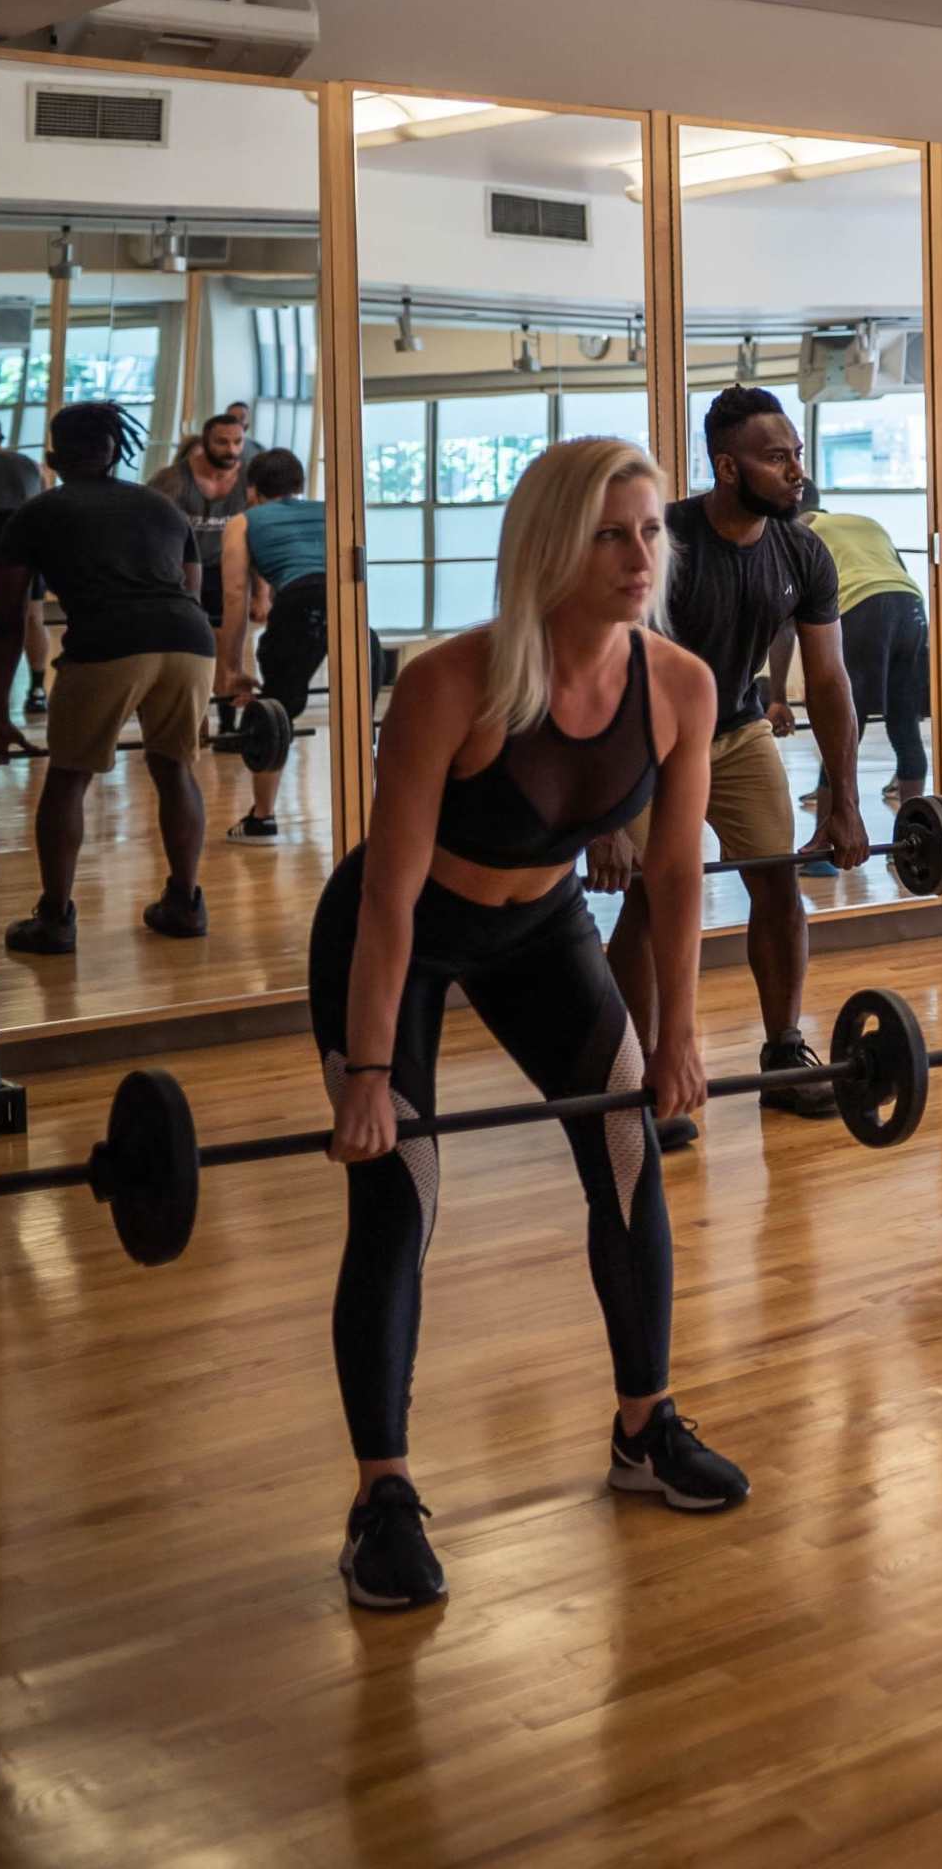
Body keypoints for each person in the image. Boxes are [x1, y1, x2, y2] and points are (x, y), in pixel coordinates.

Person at [314, 436, 747, 1610]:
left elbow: (674, 879)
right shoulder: (452, 684)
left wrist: (679, 1039)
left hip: (541, 929)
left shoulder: (679, 687)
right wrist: (366, 1073)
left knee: (627, 1159)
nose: (642, 555)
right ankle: (382, 1498)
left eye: (652, 531)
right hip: (399, 936)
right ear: (555, 546)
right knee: (400, 1197)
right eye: (613, 534)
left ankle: (643, 1428)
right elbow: (391, 899)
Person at [604, 387, 864, 1134]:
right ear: (727, 466)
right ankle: (643, 1074)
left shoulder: (803, 551)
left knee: (777, 884)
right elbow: (604, 667)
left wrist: (841, 795)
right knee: (652, 897)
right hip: (644, 736)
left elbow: (828, 678)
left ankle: (784, 1053)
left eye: (798, 454)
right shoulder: (665, 545)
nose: (796, 471)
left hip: (738, 727)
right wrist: (604, 818)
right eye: (776, 457)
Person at [0, 402, 217, 953]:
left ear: (53, 454)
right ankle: (185, 904)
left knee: (68, 777)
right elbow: (190, 590)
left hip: (110, 642)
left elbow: (9, 618)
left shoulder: (38, 513)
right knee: (174, 768)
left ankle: (54, 918)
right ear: (115, 451)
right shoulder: (164, 510)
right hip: (190, 639)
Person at [215, 447, 331, 838]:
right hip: (350, 606)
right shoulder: (331, 509)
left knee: (275, 711)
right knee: (359, 717)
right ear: (299, 484)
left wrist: (229, 669)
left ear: (252, 490)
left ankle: (262, 819)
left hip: (299, 602)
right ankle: (369, 811)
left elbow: (234, 597)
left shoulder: (243, 522)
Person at [804, 498, 930, 807]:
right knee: (903, 722)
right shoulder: (867, 522)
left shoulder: (803, 526)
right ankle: (914, 835)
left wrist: (779, 695)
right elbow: (899, 570)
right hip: (910, 604)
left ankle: (826, 842)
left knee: (845, 722)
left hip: (861, 608)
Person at [0, 417, 50, 756]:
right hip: (30, 538)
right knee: (34, 617)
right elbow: (45, 502)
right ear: (1, 437)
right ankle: (37, 689)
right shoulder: (29, 464)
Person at [151, 411, 257, 634]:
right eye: (222, 442)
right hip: (180, 569)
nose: (231, 450)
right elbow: (148, 527)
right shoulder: (173, 478)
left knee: (225, 635)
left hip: (226, 568)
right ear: (205, 441)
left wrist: (262, 594)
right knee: (181, 633)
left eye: (237, 442)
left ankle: (226, 670)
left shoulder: (251, 479)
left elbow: (261, 533)